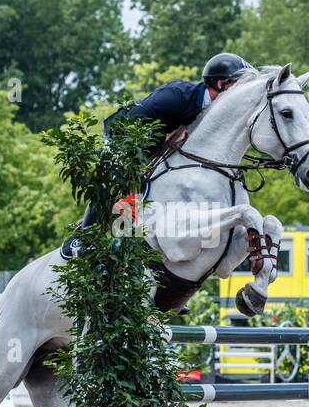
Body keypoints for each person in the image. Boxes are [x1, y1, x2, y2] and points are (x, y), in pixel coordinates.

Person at [59, 52, 254, 259]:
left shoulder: (213, 111)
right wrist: (165, 136)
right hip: (124, 137)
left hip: (160, 148)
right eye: (237, 85)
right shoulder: (175, 95)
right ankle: (83, 237)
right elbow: (131, 122)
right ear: (219, 83)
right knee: (117, 182)